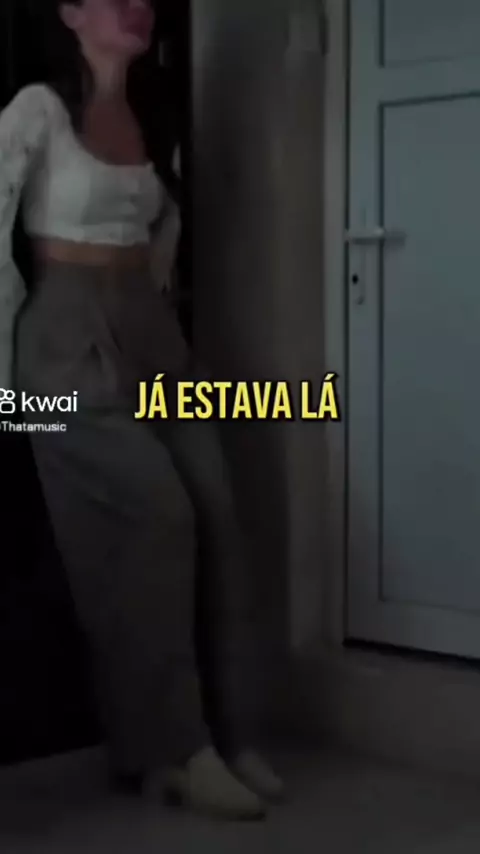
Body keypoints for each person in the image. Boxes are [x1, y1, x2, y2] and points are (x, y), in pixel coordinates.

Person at [0, 0, 284, 820]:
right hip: (64, 341)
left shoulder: (154, 109)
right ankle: (174, 748)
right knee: (158, 519)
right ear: (69, 12)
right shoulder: (39, 108)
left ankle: (233, 734)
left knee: (221, 515)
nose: (136, 4)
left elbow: (164, 228)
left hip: (152, 331)